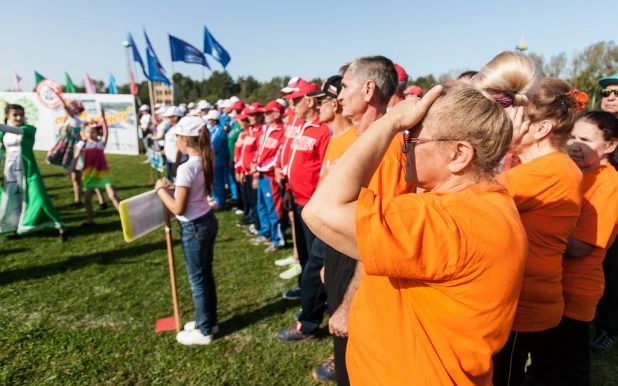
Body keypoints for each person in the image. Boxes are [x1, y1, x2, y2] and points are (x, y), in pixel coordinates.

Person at [302, 74, 531, 384]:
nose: (403, 148)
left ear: (459, 155)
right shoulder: (485, 203)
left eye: (412, 138)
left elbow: (320, 211)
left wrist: (391, 121)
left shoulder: (448, 220)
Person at [317, 56, 414, 385]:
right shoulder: (360, 142)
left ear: (368, 89)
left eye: (344, 86)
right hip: (345, 257)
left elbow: (374, 235)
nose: (338, 96)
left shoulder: (384, 151)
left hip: (364, 268)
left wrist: (348, 302)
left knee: (355, 363)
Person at [491, 77, 584, 386]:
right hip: (525, 299)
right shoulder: (547, 167)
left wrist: (498, 143)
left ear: (541, 128)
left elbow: (470, 197)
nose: (506, 122)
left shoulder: (548, 171)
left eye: (516, 115)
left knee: (503, 378)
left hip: (524, 306)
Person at [525, 110, 618, 385]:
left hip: (575, 291)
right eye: (573, 137)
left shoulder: (609, 184)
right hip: (553, 285)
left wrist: (534, 230)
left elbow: (580, 247)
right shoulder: (571, 173)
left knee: (570, 366)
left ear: (610, 146)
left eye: (586, 140)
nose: (575, 145)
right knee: (545, 360)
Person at [308, 74, 356, 384]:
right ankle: (340, 356)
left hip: (348, 240)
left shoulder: (353, 141)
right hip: (329, 237)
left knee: (346, 307)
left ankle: (346, 362)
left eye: (322, 100)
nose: (317, 106)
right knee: (334, 299)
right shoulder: (335, 139)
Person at [155, 116, 219, 346]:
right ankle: (209, 321)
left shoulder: (185, 167)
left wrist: (161, 191)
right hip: (206, 219)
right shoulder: (204, 158)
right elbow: (191, 191)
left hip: (193, 226)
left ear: (183, 139)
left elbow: (177, 207)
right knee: (205, 276)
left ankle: (204, 331)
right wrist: (173, 187)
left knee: (198, 280)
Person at [276, 81, 330, 304]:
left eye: (295, 100)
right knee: (305, 255)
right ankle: (305, 289)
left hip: (313, 204)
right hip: (298, 199)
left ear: (310, 100)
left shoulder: (323, 129)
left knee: (314, 257)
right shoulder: (302, 127)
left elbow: (325, 170)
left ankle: (317, 299)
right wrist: (288, 189)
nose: (292, 104)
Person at [0, 104, 68, 242]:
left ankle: (61, 228)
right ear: (8, 116)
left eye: (21, 114)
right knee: (13, 200)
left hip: (28, 170)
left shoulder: (28, 129)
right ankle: (17, 229)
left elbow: (17, 130)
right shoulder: (4, 133)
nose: (19, 117)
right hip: (11, 171)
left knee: (40, 198)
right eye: (15, 115)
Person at [592, 72, 618, 353]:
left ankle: (608, 328)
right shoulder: (597, 127)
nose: (610, 97)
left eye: (616, 93)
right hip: (600, 207)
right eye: (607, 93)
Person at [46, 96, 107, 209]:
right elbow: (62, 137)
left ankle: (102, 201)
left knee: (89, 175)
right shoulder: (70, 120)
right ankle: (78, 200)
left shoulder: (75, 120)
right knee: (75, 177)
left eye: (70, 107)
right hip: (71, 151)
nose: (66, 109)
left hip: (77, 151)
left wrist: (56, 94)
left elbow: (64, 106)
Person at [67, 108, 121, 226]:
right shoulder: (83, 144)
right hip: (89, 175)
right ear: (84, 133)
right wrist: (70, 169)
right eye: (87, 132)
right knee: (87, 199)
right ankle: (90, 220)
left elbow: (106, 132)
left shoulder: (100, 143)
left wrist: (103, 118)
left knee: (112, 195)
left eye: (93, 132)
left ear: (97, 132)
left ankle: (124, 216)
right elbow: (75, 158)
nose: (90, 134)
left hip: (103, 174)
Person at [250, 100, 286, 253]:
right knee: (262, 205)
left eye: (268, 112)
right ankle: (266, 233)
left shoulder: (282, 131)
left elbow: (278, 156)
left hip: (270, 177)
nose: (264, 115)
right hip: (261, 175)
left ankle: (278, 239)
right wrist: (255, 165)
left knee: (274, 209)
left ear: (277, 114)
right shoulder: (266, 129)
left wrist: (259, 168)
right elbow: (260, 151)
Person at [235, 103, 265, 232]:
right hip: (246, 171)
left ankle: (257, 224)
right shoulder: (250, 132)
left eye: (253, 115)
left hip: (255, 172)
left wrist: (253, 173)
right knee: (250, 198)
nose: (250, 118)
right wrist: (240, 170)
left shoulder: (261, 131)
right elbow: (242, 153)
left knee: (256, 200)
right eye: (250, 116)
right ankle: (254, 220)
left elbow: (257, 153)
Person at [204, 109, 228, 210]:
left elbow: (214, 146)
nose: (208, 122)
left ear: (214, 120)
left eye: (209, 120)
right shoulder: (214, 130)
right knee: (214, 181)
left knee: (218, 182)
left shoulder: (219, 131)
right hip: (214, 160)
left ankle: (220, 202)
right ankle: (215, 198)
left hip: (218, 160)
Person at [161, 106, 183, 182]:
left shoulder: (179, 130)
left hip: (176, 161)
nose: (166, 119)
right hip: (171, 160)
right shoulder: (172, 128)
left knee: (177, 182)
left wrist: (176, 165)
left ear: (175, 117)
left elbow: (179, 148)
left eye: (168, 117)